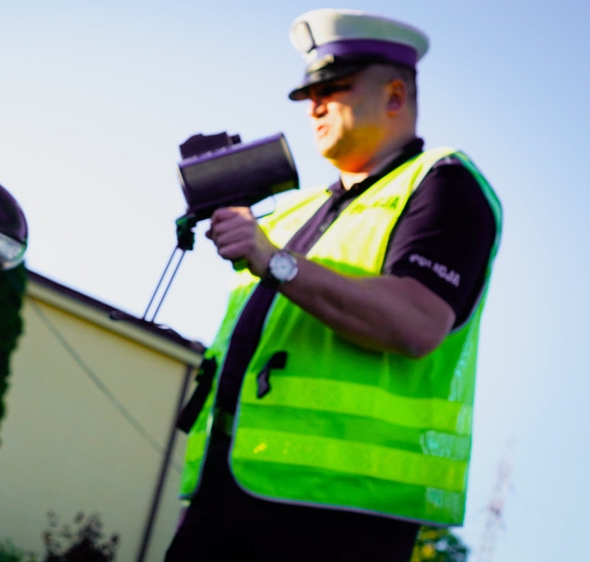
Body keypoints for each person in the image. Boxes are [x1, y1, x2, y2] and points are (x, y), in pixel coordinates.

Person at [166, 8, 502, 561]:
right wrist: (206, 498)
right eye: (308, 95)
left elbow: (417, 322)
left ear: (395, 96)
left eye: (334, 89)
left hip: (342, 515)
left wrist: (272, 260)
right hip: (233, 495)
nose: (315, 106)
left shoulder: (444, 184)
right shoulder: (298, 214)